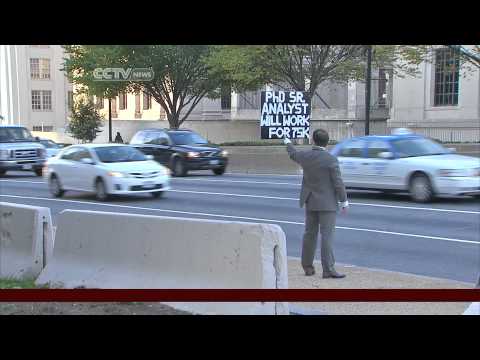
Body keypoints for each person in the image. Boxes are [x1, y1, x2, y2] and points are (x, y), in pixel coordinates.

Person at [284, 129, 349, 278]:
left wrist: (287, 142)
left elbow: (293, 154)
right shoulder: (331, 160)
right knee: (327, 236)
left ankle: (307, 266)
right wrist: (344, 200)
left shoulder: (306, 156)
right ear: (327, 142)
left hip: (310, 200)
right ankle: (328, 269)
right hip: (328, 204)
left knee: (309, 235)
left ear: (313, 140)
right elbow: (338, 183)